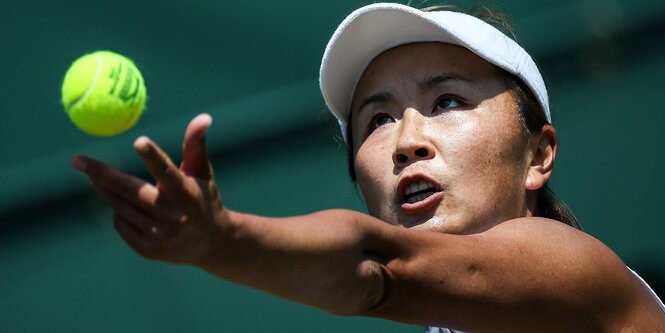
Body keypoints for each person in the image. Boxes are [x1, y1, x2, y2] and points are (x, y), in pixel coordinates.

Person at [72, 3, 665, 332]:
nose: (408, 140)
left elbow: (378, 265)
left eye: (448, 101)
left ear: (538, 156)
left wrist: (223, 240)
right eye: (377, 120)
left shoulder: (576, 271)